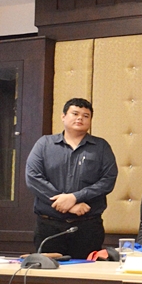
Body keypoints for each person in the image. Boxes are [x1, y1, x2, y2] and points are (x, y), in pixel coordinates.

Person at [25, 98, 118, 259]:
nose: (80, 118)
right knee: (47, 278)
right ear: (63, 116)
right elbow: (33, 177)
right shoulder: (44, 144)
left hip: (88, 227)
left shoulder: (101, 147)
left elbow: (108, 180)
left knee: (86, 277)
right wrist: (67, 205)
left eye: (86, 115)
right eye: (75, 113)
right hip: (49, 226)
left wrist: (75, 197)